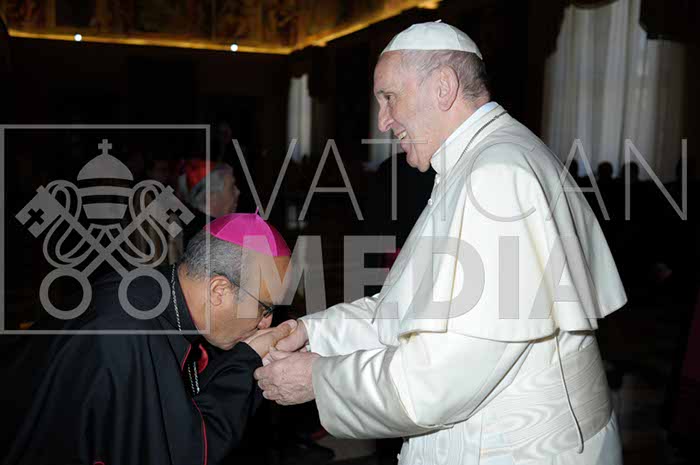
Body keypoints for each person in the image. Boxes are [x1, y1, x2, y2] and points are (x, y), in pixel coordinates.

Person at [255, 21, 628, 465]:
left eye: (389, 98)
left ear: (443, 88)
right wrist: (310, 333)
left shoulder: (495, 175)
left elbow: (439, 379)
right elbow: (404, 310)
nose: (383, 121)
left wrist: (319, 378)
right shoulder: (482, 159)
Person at [1, 213, 295, 465]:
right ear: (219, 291)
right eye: (265, 308)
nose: (266, 323)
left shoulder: (147, 289)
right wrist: (246, 362)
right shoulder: (132, 335)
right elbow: (181, 453)